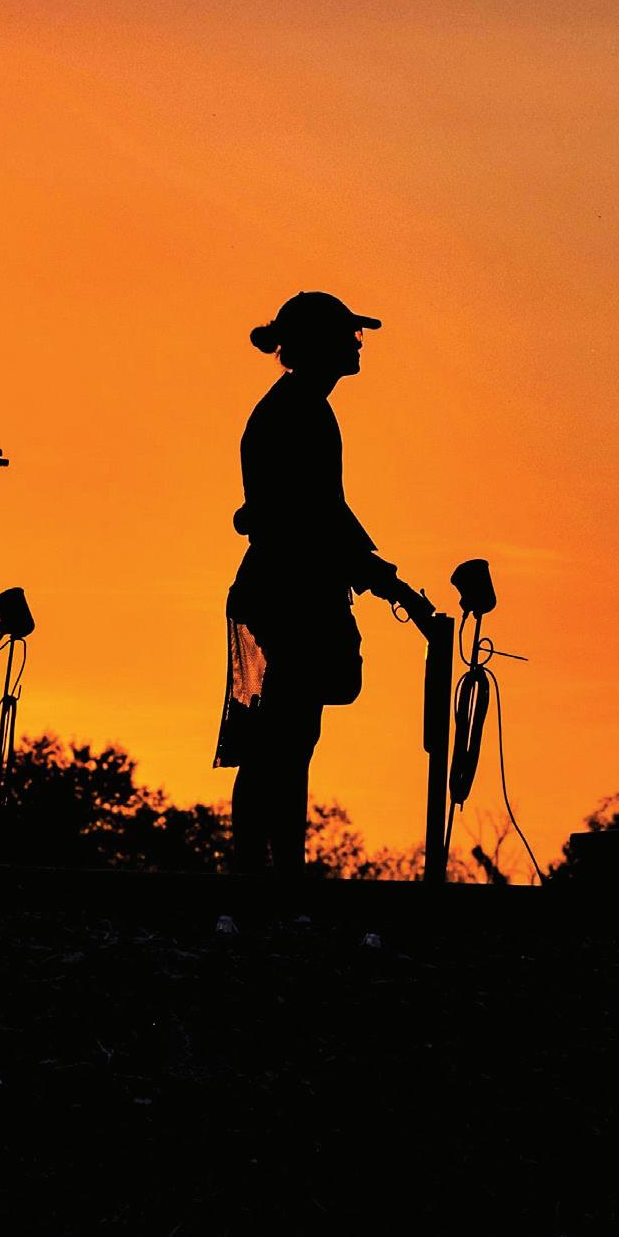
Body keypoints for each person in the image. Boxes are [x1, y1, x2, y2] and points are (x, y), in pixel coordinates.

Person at [217, 290, 433, 881]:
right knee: (281, 743)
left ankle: (273, 876)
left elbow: (320, 512)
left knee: (286, 741)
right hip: (288, 594)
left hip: (290, 588)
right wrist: (377, 576)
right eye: (348, 336)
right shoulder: (297, 412)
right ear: (318, 345)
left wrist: (375, 572)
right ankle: (268, 879)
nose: (357, 345)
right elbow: (308, 517)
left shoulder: (302, 407)